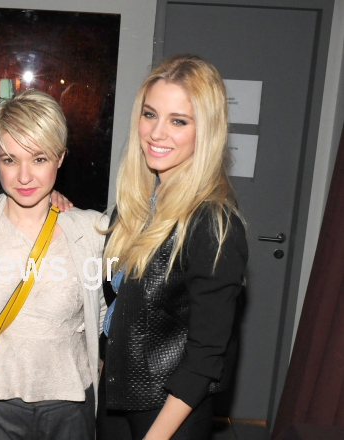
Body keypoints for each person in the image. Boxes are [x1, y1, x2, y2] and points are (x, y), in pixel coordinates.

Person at [0, 90, 107, 440]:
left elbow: (104, 316)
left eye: (39, 158)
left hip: (68, 407)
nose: (24, 176)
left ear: (60, 158)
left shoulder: (92, 230)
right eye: (10, 159)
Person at [97, 55, 248, 440]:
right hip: (117, 398)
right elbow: (120, 304)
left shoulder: (212, 224)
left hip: (169, 413)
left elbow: (206, 355)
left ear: (206, 131)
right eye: (150, 115)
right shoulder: (133, 207)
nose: (157, 133)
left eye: (178, 121)